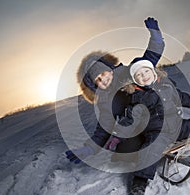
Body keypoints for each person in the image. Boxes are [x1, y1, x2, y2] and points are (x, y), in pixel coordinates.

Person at [105, 59, 190, 195]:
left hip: (178, 126)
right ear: (134, 80)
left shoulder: (167, 86)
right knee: (150, 150)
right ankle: (140, 179)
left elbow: (179, 96)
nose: (144, 75)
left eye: (146, 71)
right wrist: (117, 136)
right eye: (139, 75)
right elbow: (129, 119)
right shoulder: (138, 98)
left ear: (154, 71)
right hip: (157, 133)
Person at [65, 17, 164, 164]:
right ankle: (147, 144)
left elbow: (150, 58)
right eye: (98, 79)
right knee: (124, 153)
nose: (103, 79)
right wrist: (89, 149)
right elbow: (104, 127)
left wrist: (155, 37)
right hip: (136, 126)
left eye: (103, 74)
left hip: (157, 113)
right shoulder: (105, 101)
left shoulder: (127, 72)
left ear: (110, 70)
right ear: (94, 86)